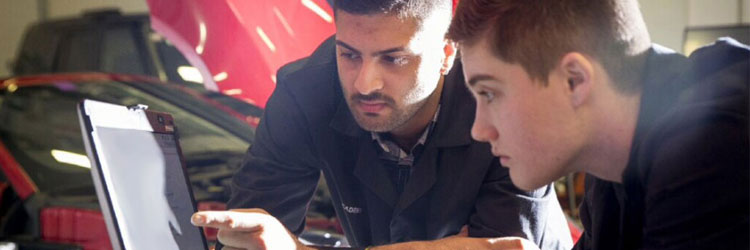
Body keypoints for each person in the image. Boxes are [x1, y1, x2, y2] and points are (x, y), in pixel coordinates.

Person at [191, 0, 573, 249]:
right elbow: (249, 237)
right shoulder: (304, 93)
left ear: (445, 53)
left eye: (393, 59)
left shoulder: (501, 97)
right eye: (349, 54)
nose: (364, 84)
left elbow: (505, 247)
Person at [447, 0, 749, 249]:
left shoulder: (711, 146)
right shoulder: (607, 171)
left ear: (574, 80)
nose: (479, 130)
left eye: (490, 94)